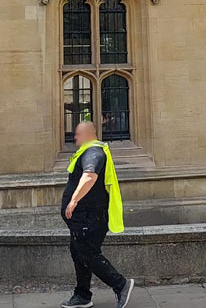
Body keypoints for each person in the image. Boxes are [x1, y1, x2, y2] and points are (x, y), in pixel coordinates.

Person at [60, 122, 134, 308]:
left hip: (90, 217)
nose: (75, 138)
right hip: (82, 218)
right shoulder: (87, 152)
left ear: (89, 135)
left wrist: (74, 200)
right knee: (79, 253)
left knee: (88, 254)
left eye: (78, 135)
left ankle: (121, 284)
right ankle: (83, 295)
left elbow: (89, 176)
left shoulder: (94, 152)